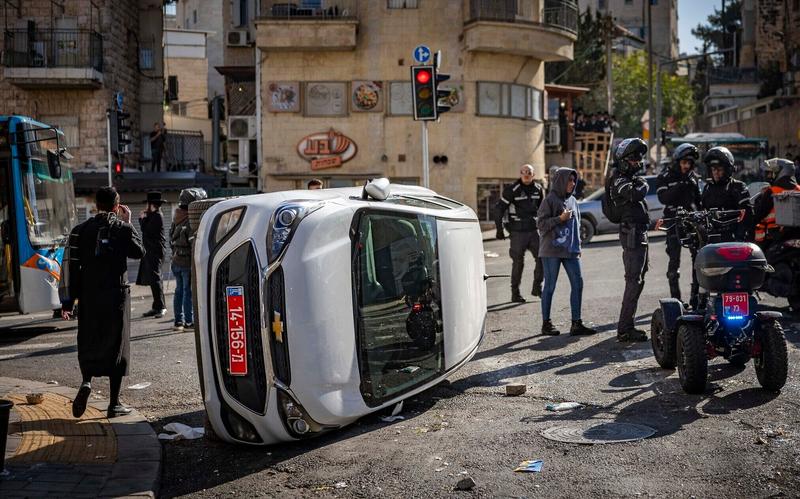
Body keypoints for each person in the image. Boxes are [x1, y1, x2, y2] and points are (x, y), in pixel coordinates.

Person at [60, 187, 144, 419]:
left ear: (96, 206)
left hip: (89, 297)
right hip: (116, 296)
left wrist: (68, 302)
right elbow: (139, 252)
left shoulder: (79, 231)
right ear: (117, 206)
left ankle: (86, 381)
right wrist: (128, 223)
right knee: (117, 346)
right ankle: (114, 403)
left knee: (89, 340)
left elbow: (71, 267)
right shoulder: (122, 229)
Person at [536, 167, 597, 336]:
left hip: (570, 251)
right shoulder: (549, 200)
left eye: (573, 180)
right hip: (551, 250)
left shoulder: (573, 201)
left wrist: (578, 246)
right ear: (560, 181)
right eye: (569, 180)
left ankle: (576, 324)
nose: (572, 183)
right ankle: (546, 324)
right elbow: (541, 225)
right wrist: (560, 219)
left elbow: (577, 225)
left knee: (578, 284)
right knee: (550, 286)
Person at [608, 138, 650, 342]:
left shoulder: (631, 178)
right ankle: (625, 329)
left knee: (639, 278)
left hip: (639, 231)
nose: (637, 162)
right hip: (631, 232)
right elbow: (635, 194)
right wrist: (643, 183)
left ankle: (627, 325)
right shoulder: (619, 179)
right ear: (623, 160)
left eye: (638, 159)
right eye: (633, 159)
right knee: (633, 280)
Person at [656, 143, 702, 307]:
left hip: (691, 221)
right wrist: (681, 184)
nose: (686, 166)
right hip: (672, 221)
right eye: (683, 162)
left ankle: (696, 298)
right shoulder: (665, 176)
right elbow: (663, 198)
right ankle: (676, 300)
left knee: (698, 259)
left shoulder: (694, 177)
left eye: (689, 163)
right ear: (677, 162)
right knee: (674, 262)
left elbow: (699, 201)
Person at [495, 164, 545, 303]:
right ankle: (515, 294)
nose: (526, 174)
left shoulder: (538, 189)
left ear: (533, 174)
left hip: (533, 231)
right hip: (517, 232)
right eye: (524, 172)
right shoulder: (512, 190)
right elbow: (499, 209)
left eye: (529, 172)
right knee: (518, 263)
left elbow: (542, 210)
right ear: (520, 174)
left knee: (542, 257)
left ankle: (537, 287)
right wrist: (499, 229)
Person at [170, 188, 206, 331]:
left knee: (179, 290)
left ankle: (178, 321)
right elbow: (193, 244)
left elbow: (170, 238)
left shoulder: (176, 217)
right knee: (188, 292)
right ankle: (189, 322)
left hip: (176, 260)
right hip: (186, 262)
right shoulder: (191, 220)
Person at [701, 146, 752, 242]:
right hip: (712, 238)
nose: (716, 172)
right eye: (713, 169)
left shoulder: (738, 186)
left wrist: (739, 238)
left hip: (732, 238)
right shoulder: (707, 188)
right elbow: (702, 212)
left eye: (719, 169)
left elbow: (747, 215)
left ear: (727, 169)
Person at [753, 158, 800, 244]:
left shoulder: (772, 191)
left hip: (774, 237)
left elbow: (759, 214)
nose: (769, 176)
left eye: (771, 173)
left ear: (781, 172)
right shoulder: (799, 189)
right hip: (796, 236)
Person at [136, 191, 167, 318]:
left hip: (155, 251)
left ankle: (161, 307)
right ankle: (156, 306)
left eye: (147, 204)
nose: (145, 207)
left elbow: (146, 230)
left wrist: (141, 219)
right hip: (150, 251)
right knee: (153, 279)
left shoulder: (157, 216)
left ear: (151, 204)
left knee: (156, 279)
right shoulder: (152, 215)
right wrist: (143, 218)